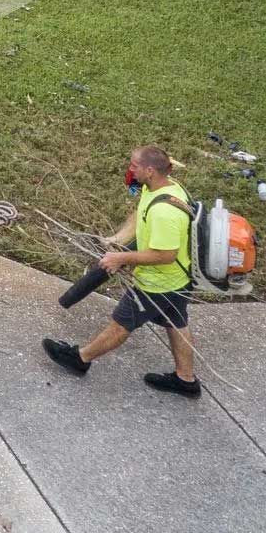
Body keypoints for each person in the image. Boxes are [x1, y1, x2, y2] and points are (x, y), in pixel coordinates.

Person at [42, 145, 201, 398]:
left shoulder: (165, 212)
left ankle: (81, 359)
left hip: (158, 283)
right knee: (176, 322)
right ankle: (186, 380)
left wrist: (121, 258)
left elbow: (165, 255)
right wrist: (115, 240)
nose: (130, 169)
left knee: (121, 324)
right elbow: (140, 215)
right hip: (177, 282)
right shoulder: (163, 189)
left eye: (134, 166)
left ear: (150, 170)